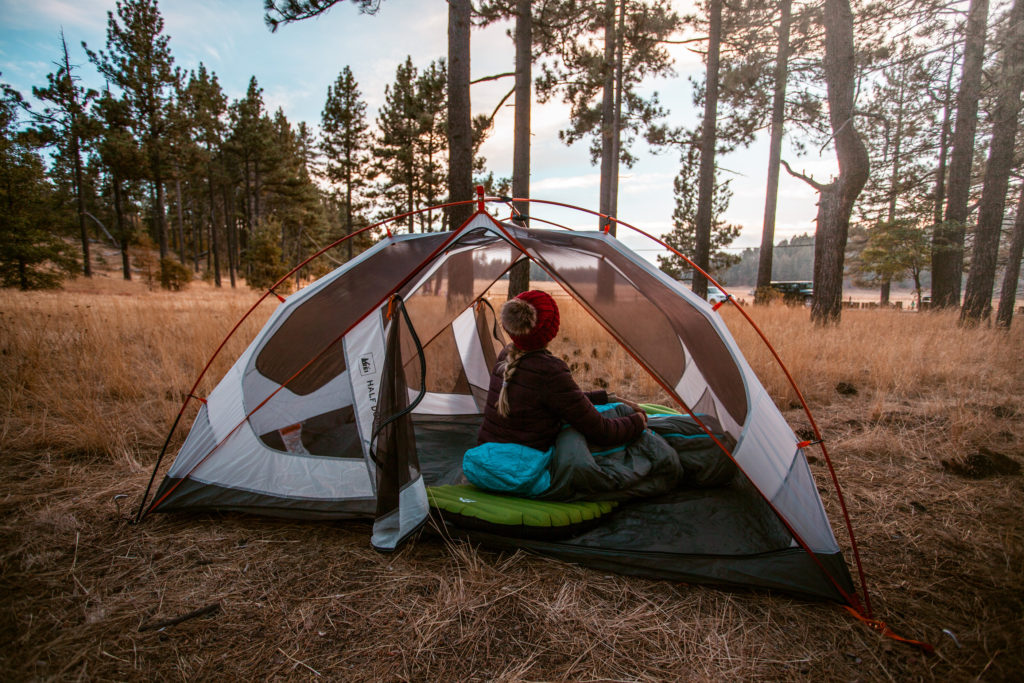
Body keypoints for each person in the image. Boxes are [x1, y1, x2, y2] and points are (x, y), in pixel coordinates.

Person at [477, 290, 647, 452]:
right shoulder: (549, 371)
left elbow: (565, 399)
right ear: (551, 330)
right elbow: (602, 432)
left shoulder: (506, 354)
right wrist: (638, 422)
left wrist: (608, 398)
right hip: (523, 466)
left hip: (488, 454)